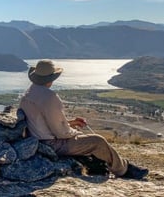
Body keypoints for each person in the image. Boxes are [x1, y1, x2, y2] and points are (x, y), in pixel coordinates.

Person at [19, 59, 149, 180]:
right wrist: (74, 131)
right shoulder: (49, 97)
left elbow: (43, 123)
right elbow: (61, 133)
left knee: (81, 136)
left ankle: (102, 165)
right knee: (98, 141)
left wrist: (71, 123)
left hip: (37, 142)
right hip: (52, 144)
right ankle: (124, 170)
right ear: (51, 78)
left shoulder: (28, 94)